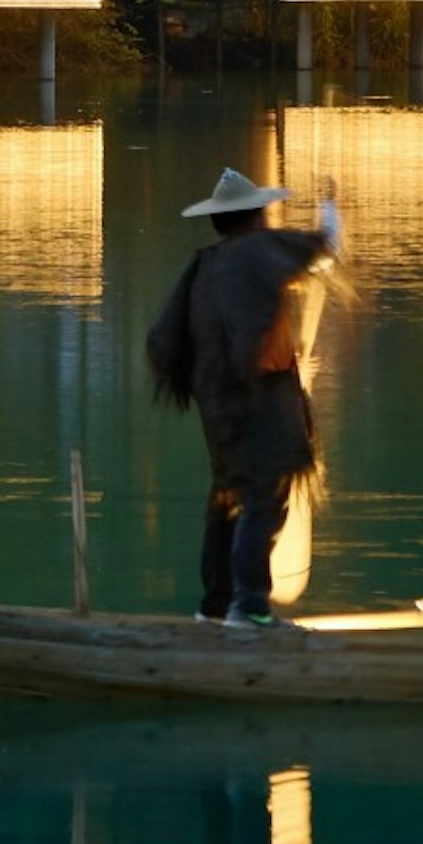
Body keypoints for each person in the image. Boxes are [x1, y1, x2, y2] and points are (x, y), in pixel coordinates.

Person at [144, 166, 344, 628]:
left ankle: (214, 607)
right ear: (255, 217)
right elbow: (326, 248)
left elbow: (165, 338)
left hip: (219, 407)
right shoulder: (257, 253)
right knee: (264, 500)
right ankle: (250, 607)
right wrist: (330, 205)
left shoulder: (206, 267)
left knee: (227, 499)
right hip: (261, 401)